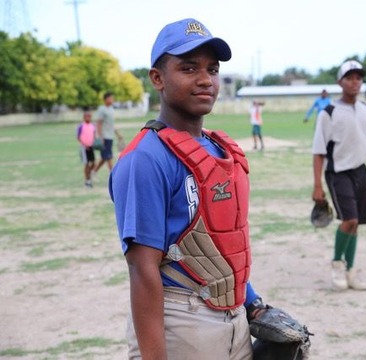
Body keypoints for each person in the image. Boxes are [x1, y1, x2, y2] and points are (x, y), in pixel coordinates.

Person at [109, 18, 275, 360]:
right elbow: (143, 270)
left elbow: (225, 243)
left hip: (235, 317)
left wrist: (254, 304)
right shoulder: (145, 159)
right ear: (157, 78)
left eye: (212, 69)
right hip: (181, 320)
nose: (205, 80)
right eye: (189, 68)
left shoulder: (218, 150)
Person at [311, 60, 366, 291]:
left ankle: (351, 271)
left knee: (357, 224)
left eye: (358, 77)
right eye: (350, 77)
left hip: (360, 172)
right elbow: (318, 152)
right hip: (338, 173)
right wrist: (317, 185)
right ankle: (337, 265)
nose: (355, 82)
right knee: (349, 220)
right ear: (340, 82)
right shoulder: (329, 112)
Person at [92, 92, 123, 176]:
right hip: (104, 137)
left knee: (104, 157)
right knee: (109, 156)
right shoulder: (102, 109)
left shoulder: (111, 109)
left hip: (110, 136)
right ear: (106, 99)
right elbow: (99, 123)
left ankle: (94, 172)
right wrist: (100, 137)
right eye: (111, 98)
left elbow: (111, 125)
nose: (112, 100)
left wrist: (118, 134)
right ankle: (113, 175)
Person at [76, 108, 96, 188]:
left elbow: (93, 135)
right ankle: (87, 180)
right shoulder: (81, 126)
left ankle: (89, 175)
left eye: (89, 116)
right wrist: (84, 144)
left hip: (91, 147)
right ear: (84, 117)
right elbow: (78, 137)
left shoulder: (92, 126)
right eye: (87, 116)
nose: (88, 118)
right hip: (84, 148)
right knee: (87, 164)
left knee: (93, 163)